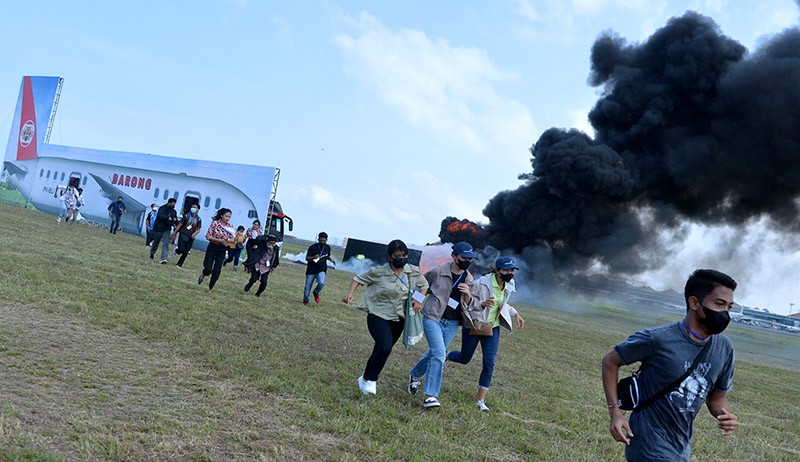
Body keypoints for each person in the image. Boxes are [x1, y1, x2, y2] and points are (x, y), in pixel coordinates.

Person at [601, 269, 739, 461]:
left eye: (729, 307)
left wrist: (724, 415)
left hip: (681, 446)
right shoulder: (658, 338)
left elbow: (717, 397)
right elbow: (610, 361)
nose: (725, 313)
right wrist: (614, 412)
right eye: (719, 304)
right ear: (694, 303)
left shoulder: (724, 347)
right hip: (647, 442)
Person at [342, 239, 429, 396]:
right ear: (390, 257)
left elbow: (424, 286)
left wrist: (419, 300)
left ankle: (364, 379)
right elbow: (357, 279)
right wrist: (350, 294)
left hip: (399, 318)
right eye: (397, 256)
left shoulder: (412, 271)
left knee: (380, 350)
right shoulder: (378, 271)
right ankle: (372, 380)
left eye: (404, 255)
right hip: (377, 314)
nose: (401, 258)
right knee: (384, 347)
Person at [447, 256, 526, 413]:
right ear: (498, 271)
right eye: (506, 270)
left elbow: (501, 303)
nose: (510, 273)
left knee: (489, 363)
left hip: (492, 328)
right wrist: (482, 304)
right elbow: (467, 302)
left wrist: (515, 313)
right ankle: (447, 355)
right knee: (464, 358)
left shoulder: (509, 284)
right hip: (475, 324)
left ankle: (480, 401)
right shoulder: (481, 283)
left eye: (512, 270)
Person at [408, 241, 479, 409]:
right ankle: (430, 396)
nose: (467, 261)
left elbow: (472, 305)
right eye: (464, 257)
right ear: (454, 256)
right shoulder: (438, 272)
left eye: (470, 258)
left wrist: (468, 294)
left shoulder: (470, 279)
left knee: (435, 353)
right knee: (440, 354)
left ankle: (415, 375)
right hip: (433, 317)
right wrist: (417, 302)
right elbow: (422, 286)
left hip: (452, 323)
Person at [198, 207, 235, 292]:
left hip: (222, 249)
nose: (228, 218)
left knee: (217, 270)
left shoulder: (230, 227)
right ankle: (203, 274)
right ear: (222, 216)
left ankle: (210, 288)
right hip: (213, 247)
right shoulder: (215, 224)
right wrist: (219, 240)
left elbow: (233, 240)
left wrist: (227, 240)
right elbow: (208, 236)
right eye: (226, 216)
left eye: (229, 217)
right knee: (208, 268)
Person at [304, 231, 337, 305]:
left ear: (326, 240)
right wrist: (313, 257)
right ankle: (306, 300)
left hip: (321, 269)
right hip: (311, 269)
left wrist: (331, 259)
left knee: (321, 283)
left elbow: (327, 255)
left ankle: (316, 292)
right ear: (318, 239)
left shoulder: (327, 247)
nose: (322, 242)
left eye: (324, 241)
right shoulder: (312, 247)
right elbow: (307, 258)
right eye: (321, 241)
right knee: (307, 287)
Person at [149, 198, 178, 263]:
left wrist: (175, 224)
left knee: (166, 243)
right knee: (156, 242)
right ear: (169, 203)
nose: (174, 205)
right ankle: (152, 253)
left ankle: (164, 258)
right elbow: (161, 216)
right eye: (173, 204)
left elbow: (175, 220)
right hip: (159, 228)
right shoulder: (162, 208)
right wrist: (169, 218)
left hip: (167, 229)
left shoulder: (174, 211)